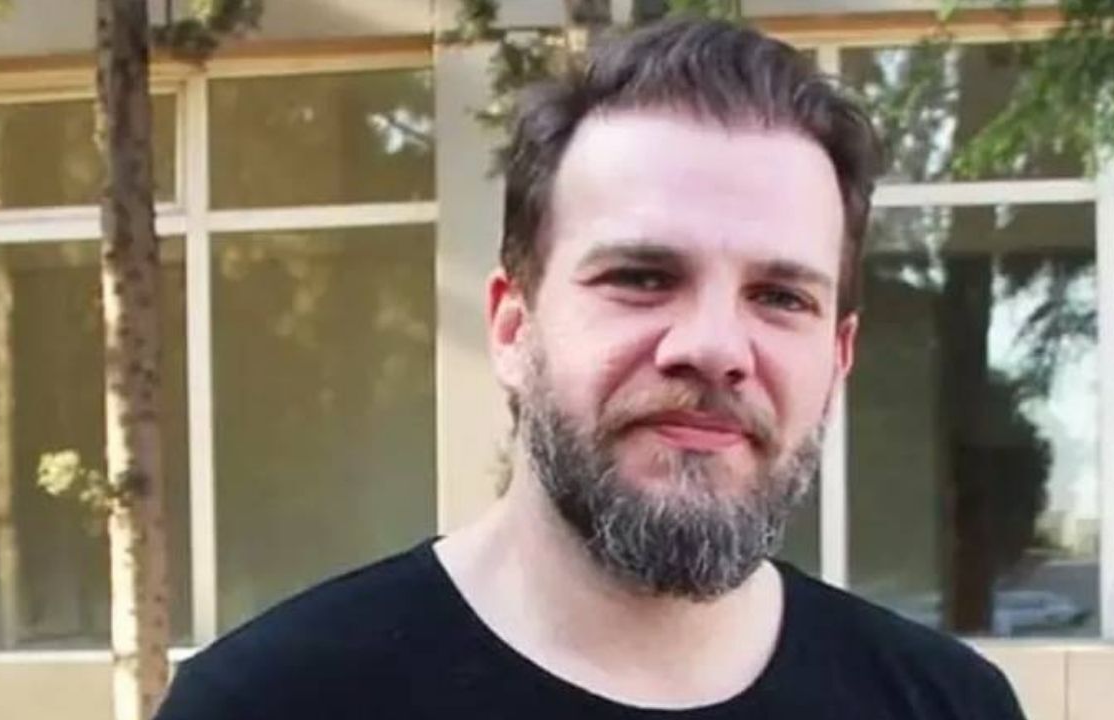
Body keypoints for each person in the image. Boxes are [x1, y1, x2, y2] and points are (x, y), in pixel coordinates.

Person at [156, 18, 1026, 719]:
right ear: (512, 327)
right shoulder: (268, 703)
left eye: (780, 296)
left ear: (838, 358)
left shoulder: (951, 705)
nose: (715, 347)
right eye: (642, 278)